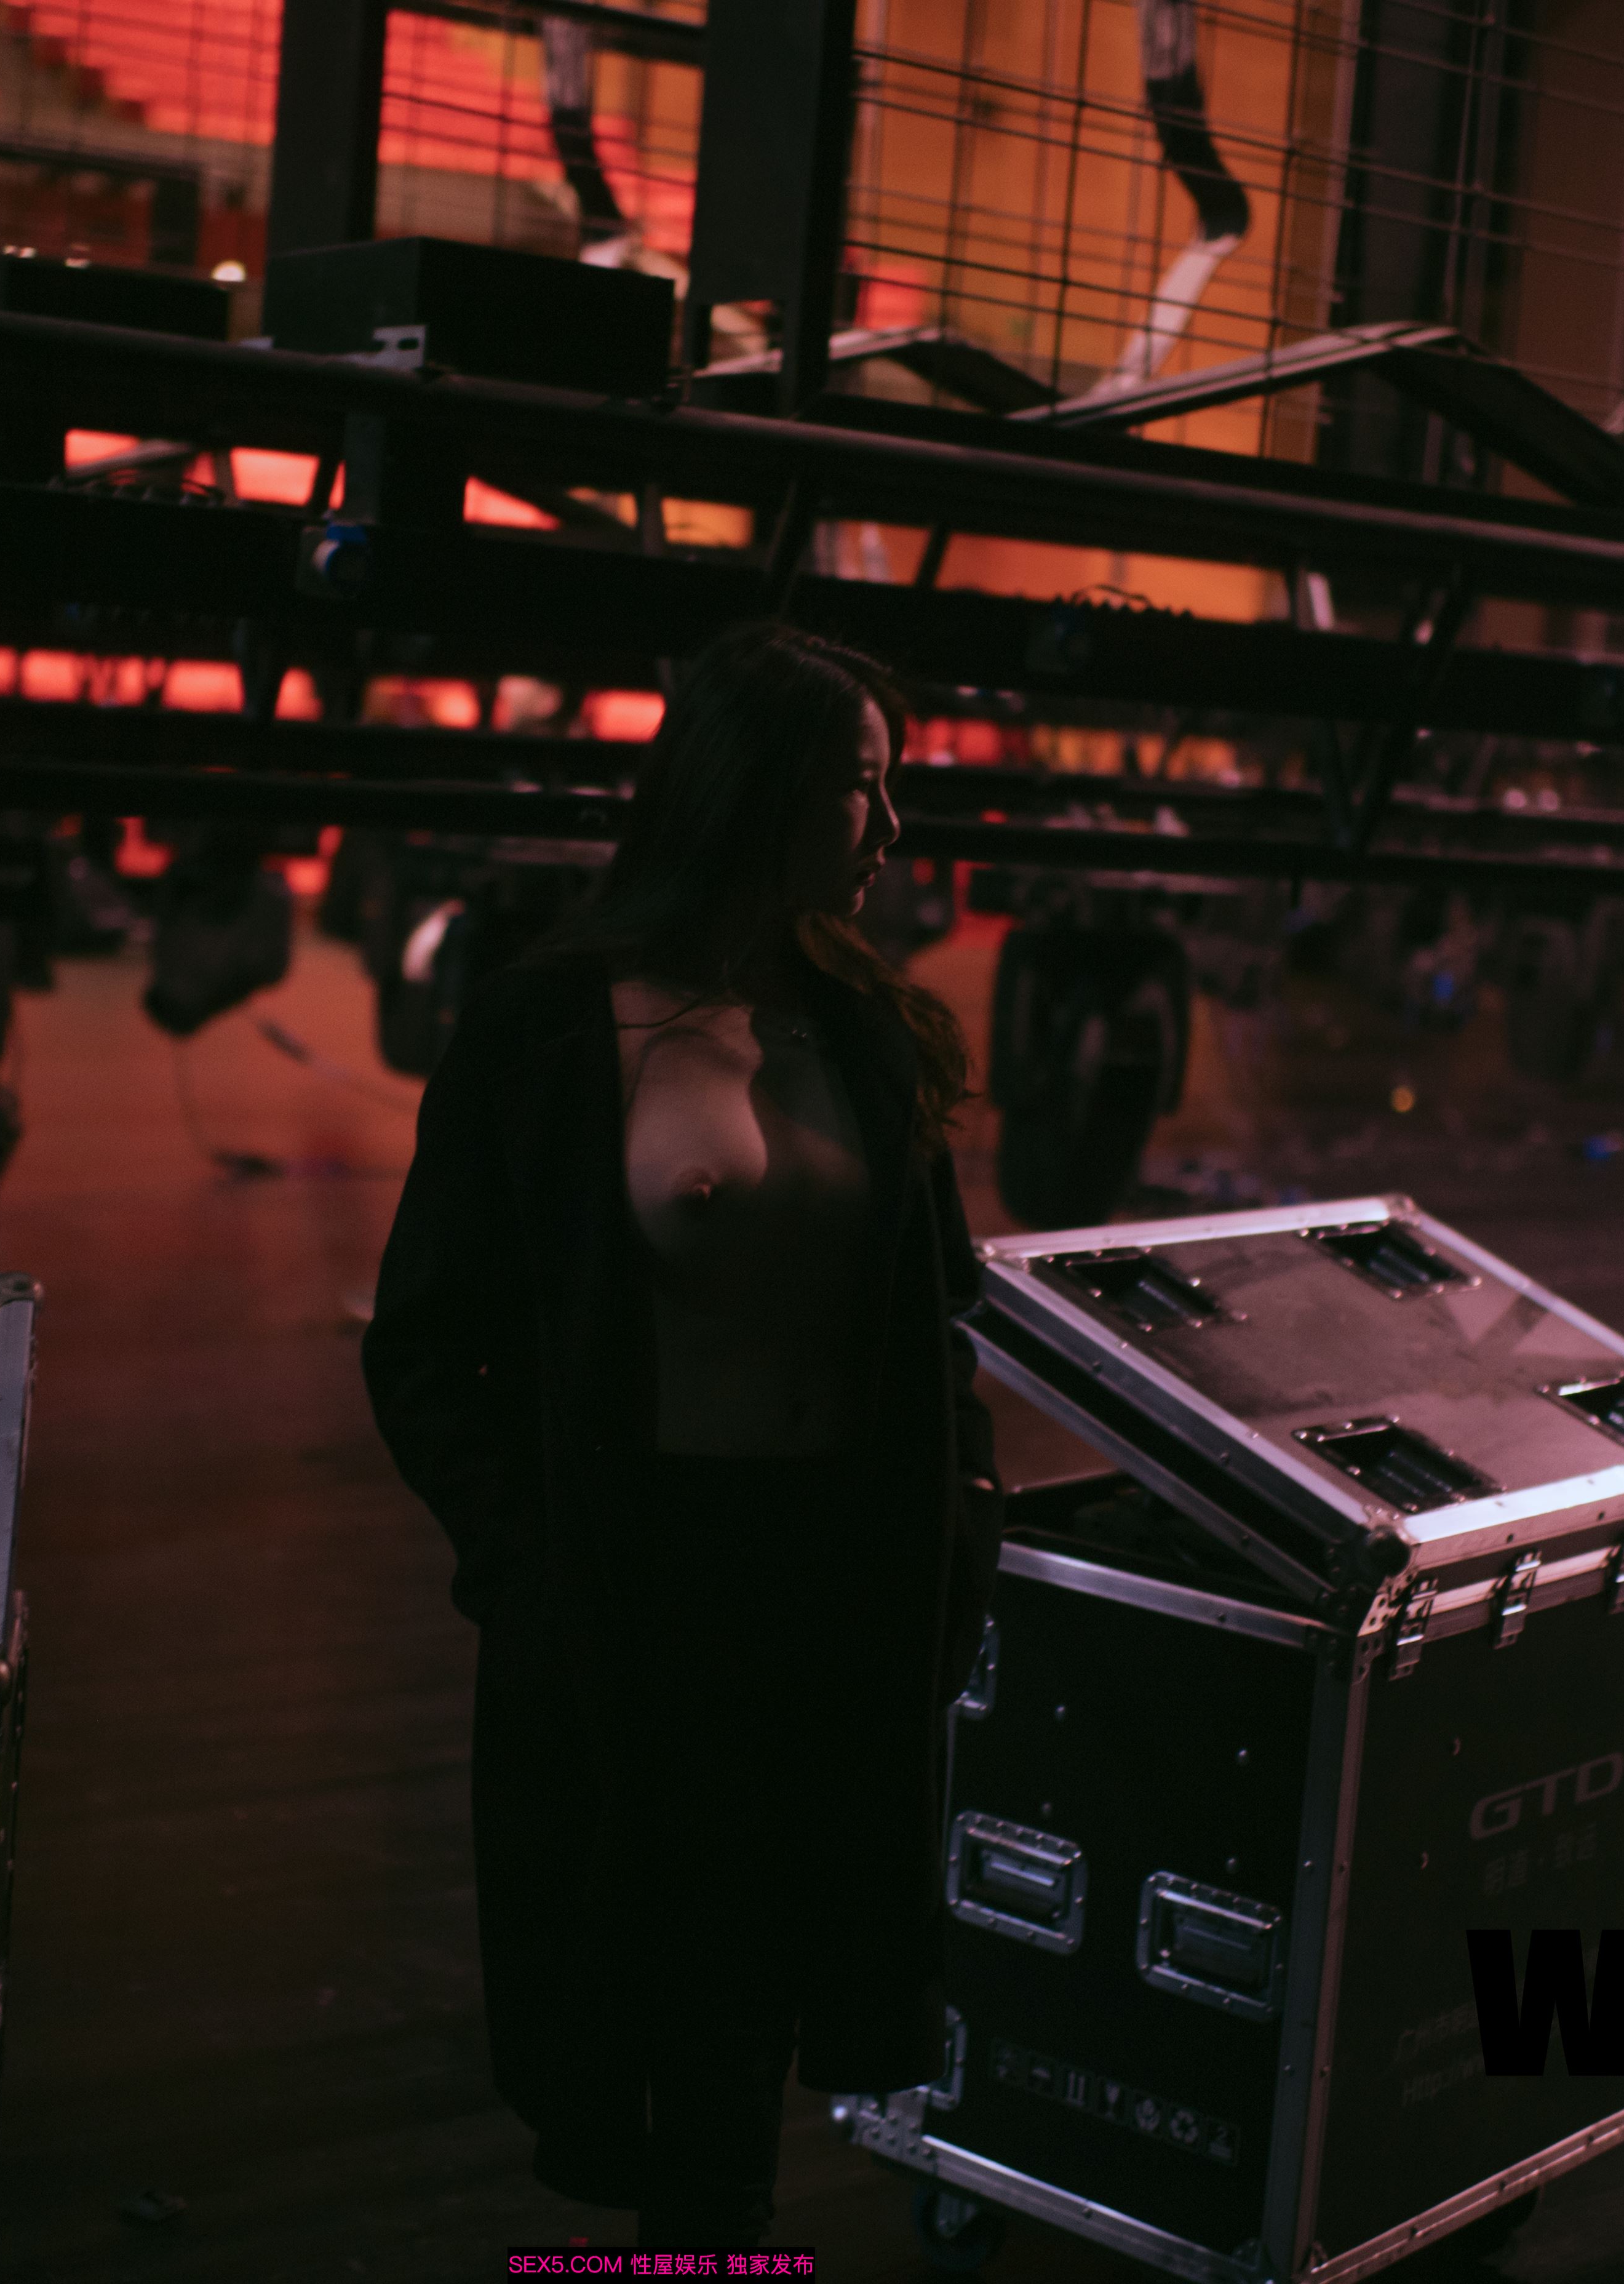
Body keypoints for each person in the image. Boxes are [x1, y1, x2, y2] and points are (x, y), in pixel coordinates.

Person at [360, 621, 1006, 2246]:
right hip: (641, 1586)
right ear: (756, 790)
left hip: (832, 1588)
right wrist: (524, 1568)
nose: (892, 826)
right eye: (863, 786)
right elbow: (426, 1346)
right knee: (644, 2001)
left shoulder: (867, 1029)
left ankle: (720, 2240)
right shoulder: (549, 1029)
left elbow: (935, 1318)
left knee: (759, 2005)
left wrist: (961, 1524)